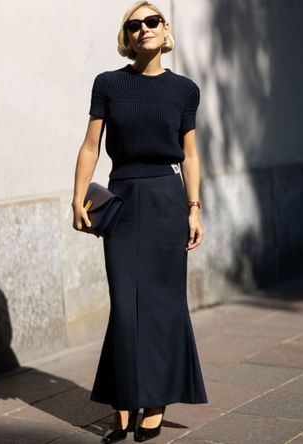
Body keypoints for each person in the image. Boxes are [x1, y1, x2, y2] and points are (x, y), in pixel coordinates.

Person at [71, 1, 208, 442]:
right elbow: (91, 145)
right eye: (134, 25)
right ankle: (124, 401)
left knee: (165, 306)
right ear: (127, 37)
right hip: (123, 201)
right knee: (126, 304)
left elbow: (189, 153)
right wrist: (78, 197)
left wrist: (194, 207)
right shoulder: (108, 84)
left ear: (164, 29)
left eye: (151, 21)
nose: (143, 28)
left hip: (168, 201)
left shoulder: (185, 90)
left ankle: (155, 401)